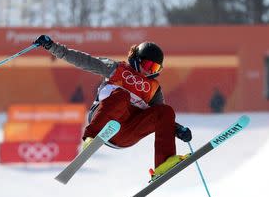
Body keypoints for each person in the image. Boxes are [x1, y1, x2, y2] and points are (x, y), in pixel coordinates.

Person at [34, 35, 192, 179]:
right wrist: (52, 47)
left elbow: (161, 118)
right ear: (137, 59)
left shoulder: (153, 89)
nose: (148, 71)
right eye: (147, 65)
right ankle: (92, 137)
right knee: (122, 96)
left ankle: (164, 163)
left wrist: (178, 130)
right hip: (105, 117)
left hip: (126, 133)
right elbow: (83, 60)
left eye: (155, 69)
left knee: (166, 111)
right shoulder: (116, 69)